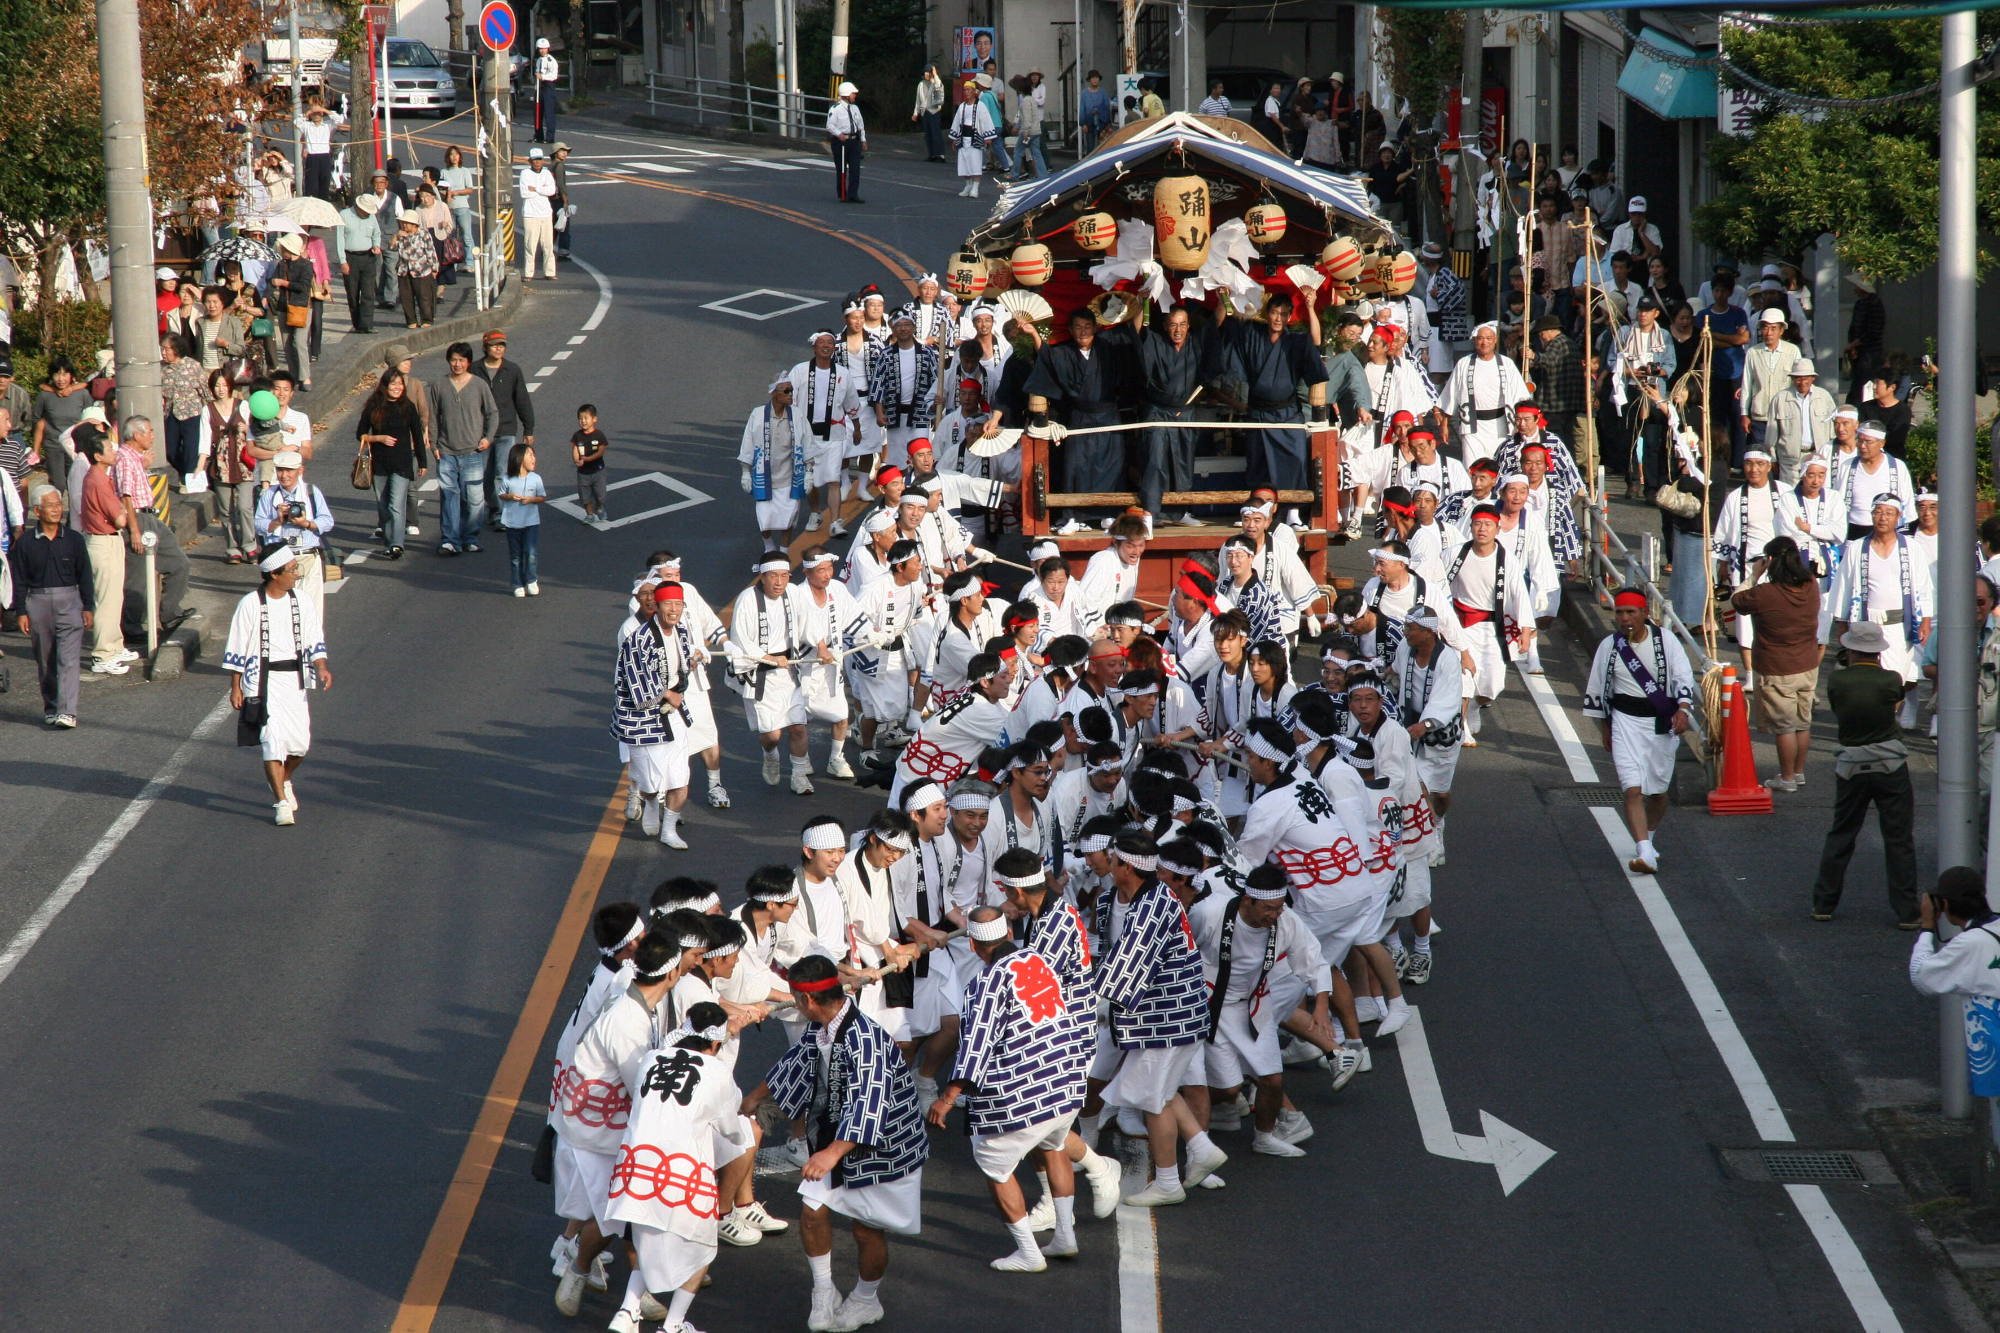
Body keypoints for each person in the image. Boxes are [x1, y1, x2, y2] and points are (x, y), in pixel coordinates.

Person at [744, 952, 930, 1333]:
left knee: (866, 1229)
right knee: (812, 1210)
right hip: (836, 1134)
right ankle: (824, 1289)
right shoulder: (824, 1024)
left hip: (884, 1146)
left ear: (807, 1000)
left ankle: (866, 1299)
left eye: (796, 998)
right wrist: (756, 1096)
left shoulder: (866, 1039)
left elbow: (870, 1101)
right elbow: (796, 1060)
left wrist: (830, 1153)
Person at [929, 905, 1086, 1270]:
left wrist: (948, 1096)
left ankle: (1030, 1254)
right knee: (1054, 1145)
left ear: (972, 945)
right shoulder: (1038, 959)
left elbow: (974, 1047)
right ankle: (1065, 1235)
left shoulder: (985, 983)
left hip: (1027, 1094)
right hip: (1067, 1083)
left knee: (993, 1163)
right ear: (1009, 933)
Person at [601, 1001, 752, 1333]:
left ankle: (627, 1311)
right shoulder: (718, 1072)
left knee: (647, 1238)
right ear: (716, 1043)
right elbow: (731, 1128)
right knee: (702, 1247)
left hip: (635, 1171)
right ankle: (673, 1324)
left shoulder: (651, 1059)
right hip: (681, 1174)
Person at [1095, 830, 1223, 1206]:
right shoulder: (1131, 898)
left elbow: (1127, 966)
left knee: (1151, 1100)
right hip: (1166, 1018)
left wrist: (1082, 1000)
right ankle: (1200, 1147)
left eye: (1113, 860)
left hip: (1168, 1020)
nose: (1107, 864)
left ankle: (1168, 1182)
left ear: (1127, 869)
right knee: (1162, 1092)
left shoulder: (1153, 906)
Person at [1811, 621, 1918, 923]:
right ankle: (1907, 912)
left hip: (1851, 765)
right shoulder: (1891, 679)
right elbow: (1893, 704)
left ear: (1850, 650)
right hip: (1890, 763)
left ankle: (1823, 904)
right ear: (1878, 651)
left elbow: (1838, 708)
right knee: (1898, 839)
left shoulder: (1836, 680)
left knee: (1842, 833)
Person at [1582, 589, 1694, 875]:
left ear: (1645, 613)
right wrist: (1605, 727)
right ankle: (1644, 851)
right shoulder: (1610, 646)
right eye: (1619, 612)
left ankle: (1650, 838)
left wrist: (1682, 709)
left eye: (1631, 612)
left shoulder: (1665, 640)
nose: (1625, 618)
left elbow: (1682, 675)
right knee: (1632, 788)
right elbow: (1599, 688)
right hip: (1625, 722)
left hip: (1660, 723)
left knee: (1657, 791)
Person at [225, 545, 332, 826]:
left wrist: (321, 667)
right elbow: (236, 646)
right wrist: (236, 686)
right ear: (274, 573)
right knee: (273, 742)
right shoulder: (250, 604)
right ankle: (281, 802)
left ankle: (283, 782)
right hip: (262, 683)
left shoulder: (302, 602)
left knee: (299, 746)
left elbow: (314, 639)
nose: (297, 574)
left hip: (294, 682)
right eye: (293, 570)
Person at [1214, 294, 1331, 524]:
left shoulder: (1296, 341)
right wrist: (1226, 299)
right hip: (1258, 413)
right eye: (1274, 313)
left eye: (1284, 314)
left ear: (1289, 317)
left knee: (1295, 460)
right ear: (1267, 314)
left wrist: (1309, 306)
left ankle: (1293, 514)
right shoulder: (1252, 335)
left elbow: (1316, 341)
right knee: (1259, 463)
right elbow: (1228, 326)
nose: (1278, 318)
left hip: (1287, 413)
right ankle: (1254, 513)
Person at [1025, 309, 1130, 534]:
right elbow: (1046, 356)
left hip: (1108, 416)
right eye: (1078, 327)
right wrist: (1033, 333)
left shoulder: (1108, 350)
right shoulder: (1064, 352)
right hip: (1080, 416)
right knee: (1076, 466)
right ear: (1071, 331)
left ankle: (1108, 514)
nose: (1083, 332)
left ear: (1096, 328)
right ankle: (1072, 516)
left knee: (1110, 466)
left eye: (1087, 327)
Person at [1731, 538, 1822, 792]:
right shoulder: (1810, 584)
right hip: (1807, 664)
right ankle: (1799, 772)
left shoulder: (1765, 593)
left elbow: (1737, 601)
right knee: (1803, 723)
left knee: (1784, 727)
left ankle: (1787, 778)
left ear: (1770, 560)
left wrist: (1753, 575)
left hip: (1777, 667)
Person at [615, 584, 697, 848]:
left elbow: (680, 668)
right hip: (643, 719)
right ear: (657, 606)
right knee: (650, 783)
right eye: (668, 604)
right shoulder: (638, 638)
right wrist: (666, 694)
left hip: (673, 715)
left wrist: (691, 664)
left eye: (679, 604)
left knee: (680, 778)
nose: (674, 610)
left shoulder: (682, 632)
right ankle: (650, 801)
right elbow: (635, 680)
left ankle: (669, 829)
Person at [9, 484, 92, 727]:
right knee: (45, 660)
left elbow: (85, 575)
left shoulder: (74, 539)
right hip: (38, 602)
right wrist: (21, 612)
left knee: (68, 658)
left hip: (70, 601)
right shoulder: (25, 543)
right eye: (51, 506)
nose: (57, 510)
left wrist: (88, 606)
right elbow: (19, 580)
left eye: (59, 505)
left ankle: (68, 711)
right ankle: (52, 706)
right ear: (37, 510)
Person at [111, 416, 192, 634]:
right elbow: (126, 496)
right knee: (138, 578)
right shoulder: (124, 459)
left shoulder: (134, 458)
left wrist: (143, 464)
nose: (153, 436)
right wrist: (135, 530)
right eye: (149, 431)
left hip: (151, 517)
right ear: (136, 435)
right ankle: (132, 626)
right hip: (137, 518)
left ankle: (170, 613)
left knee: (179, 563)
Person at [429, 342, 499, 555]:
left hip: (473, 452)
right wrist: (433, 444)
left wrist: (488, 438)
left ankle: (470, 537)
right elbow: (433, 416)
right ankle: (450, 540)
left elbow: (492, 413)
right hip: (446, 452)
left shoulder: (479, 385)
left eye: (461, 360)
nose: (457, 364)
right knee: (449, 497)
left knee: (475, 499)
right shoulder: (439, 385)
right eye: (453, 359)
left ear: (468, 362)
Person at [76, 425, 132, 675]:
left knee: (114, 597)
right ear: (98, 455)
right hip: (103, 541)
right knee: (106, 600)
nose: (113, 450)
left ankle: (115, 646)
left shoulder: (98, 476)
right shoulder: (98, 480)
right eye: (109, 447)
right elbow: (120, 520)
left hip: (106, 540)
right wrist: (125, 510)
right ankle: (102, 654)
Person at [254, 447, 334, 620]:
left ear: (300, 470)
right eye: (280, 470)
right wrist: (277, 521)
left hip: (308, 557)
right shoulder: (269, 495)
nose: (284, 475)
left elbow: (327, 521)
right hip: (280, 561)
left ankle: (310, 646)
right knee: (284, 612)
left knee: (311, 612)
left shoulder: (311, 492)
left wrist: (306, 523)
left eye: (289, 470)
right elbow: (259, 524)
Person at [355, 369, 424, 559]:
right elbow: (360, 433)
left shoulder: (408, 406)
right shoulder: (374, 406)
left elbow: (417, 434)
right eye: (393, 384)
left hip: (402, 463)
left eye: (400, 384)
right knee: (383, 504)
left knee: (396, 505)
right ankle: (388, 541)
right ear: (384, 386)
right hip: (379, 463)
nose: (397, 388)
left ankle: (397, 544)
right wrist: (378, 438)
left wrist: (422, 461)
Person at [475, 330, 535, 528]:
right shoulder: (474, 370)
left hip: (506, 430)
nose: (499, 348)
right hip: (480, 431)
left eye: (502, 345)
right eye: (494, 345)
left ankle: (500, 512)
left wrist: (528, 428)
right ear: (485, 347)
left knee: (501, 472)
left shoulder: (512, 370)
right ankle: (491, 507)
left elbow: (522, 400)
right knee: (483, 472)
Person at [1692, 277, 1751, 467]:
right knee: (1716, 421)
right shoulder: (1703, 315)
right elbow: (1704, 343)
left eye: (1723, 291)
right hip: (1714, 373)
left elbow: (1743, 339)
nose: (1719, 295)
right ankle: (1718, 460)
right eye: (1716, 291)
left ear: (1730, 293)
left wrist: (1715, 336)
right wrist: (1731, 339)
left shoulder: (1738, 313)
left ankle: (1737, 462)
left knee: (1738, 420)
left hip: (1736, 374)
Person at [1766, 357, 1836, 485]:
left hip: (1818, 456)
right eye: (1798, 378)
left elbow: (1832, 430)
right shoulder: (1780, 398)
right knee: (1789, 495)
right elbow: (1771, 433)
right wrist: (1772, 459)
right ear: (1792, 379)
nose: (1802, 382)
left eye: (1806, 378)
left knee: (1816, 493)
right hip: (1789, 460)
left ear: (1813, 378)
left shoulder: (1824, 396)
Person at [498, 442, 546, 596]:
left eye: (534, 455)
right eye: (530, 455)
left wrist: (531, 500)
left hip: (531, 522)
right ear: (519, 459)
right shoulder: (508, 479)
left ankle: (531, 580)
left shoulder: (536, 479)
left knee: (531, 551)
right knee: (516, 555)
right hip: (512, 523)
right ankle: (518, 584)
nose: (534, 458)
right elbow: (501, 494)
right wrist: (510, 496)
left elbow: (542, 497)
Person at [948, 78, 997, 199]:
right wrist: (955, 138)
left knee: (975, 164)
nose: (966, 92)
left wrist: (988, 137)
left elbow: (986, 121)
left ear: (974, 92)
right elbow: (957, 122)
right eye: (964, 90)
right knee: (964, 163)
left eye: (968, 90)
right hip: (963, 138)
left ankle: (975, 187)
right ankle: (968, 185)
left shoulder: (980, 106)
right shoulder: (962, 107)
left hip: (975, 138)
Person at [389, 213, 439, 328]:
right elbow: (391, 247)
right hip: (404, 270)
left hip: (421, 270)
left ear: (414, 224)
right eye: (402, 223)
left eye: (407, 223)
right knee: (406, 298)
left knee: (424, 296)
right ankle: (411, 321)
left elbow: (431, 252)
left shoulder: (423, 235)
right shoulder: (400, 235)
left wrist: (434, 268)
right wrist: (396, 236)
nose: (404, 225)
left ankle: (427, 319)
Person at [519, 147, 560, 283]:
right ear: (530, 160)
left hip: (546, 213)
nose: (537, 162)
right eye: (535, 159)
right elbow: (524, 193)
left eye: (540, 159)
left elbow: (552, 191)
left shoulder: (547, 173)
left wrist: (536, 188)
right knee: (530, 245)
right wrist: (542, 189)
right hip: (530, 214)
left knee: (548, 244)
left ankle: (550, 272)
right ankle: (528, 273)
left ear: (543, 161)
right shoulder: (525, 173)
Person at [828, 81, 867, 203]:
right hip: (841, 142)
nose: (855, 96)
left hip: (854, 141)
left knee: (855, 169)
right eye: (853, 94)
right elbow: (829, 125)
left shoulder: (855, 108)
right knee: (841, 169)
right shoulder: (836, 109)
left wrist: (863, 140)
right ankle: (842, 193)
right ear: (846, 95)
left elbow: (860, 125)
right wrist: (839, 134)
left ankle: (853, 194)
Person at [572, 402, 611, 526]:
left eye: (586, 418)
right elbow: (575, 450)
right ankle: (589, 514)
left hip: (598, 470)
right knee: (584, 495)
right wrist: (576, 460)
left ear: (594, 419)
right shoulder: (577, 436)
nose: (583, 421)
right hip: (583, 472)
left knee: (601, 495)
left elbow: (601, 452)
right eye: (580, 418)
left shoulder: (599, 435)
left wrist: (588, 459)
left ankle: (599, 506)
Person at [1009, 74, 1048, 180]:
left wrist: (1025, 131)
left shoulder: (1025, 101)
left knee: (1018, 152)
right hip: (1036, 130)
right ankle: (1043, 175)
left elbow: (1026, 118)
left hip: (1028, 132)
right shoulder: (1032, 99)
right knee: (1037, 153)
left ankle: (1014, 174)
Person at [913, 65, 947, 161]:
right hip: (925, 111)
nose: (927, 75)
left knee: (936, 133)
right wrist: (916, 112)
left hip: (934, 111)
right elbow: (918, 100)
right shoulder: (921, 84)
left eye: (929, 72)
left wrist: (936, 75)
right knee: (928, 134)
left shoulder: (936, 82)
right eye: (926, 73)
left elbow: (938, 87)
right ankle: (932, 154)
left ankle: (940, 155)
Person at [534, 36, 560, 143]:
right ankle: (538, 136)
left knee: (549, 113)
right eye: (540, 48)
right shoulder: (538, 60)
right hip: (539, 87)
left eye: (544, 48)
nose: (542, 50)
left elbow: (554, 76)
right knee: (537, 112)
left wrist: (542, 77)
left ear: (548, 49)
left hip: (548, 87)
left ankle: (550, 138)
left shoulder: (551, 61)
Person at [1079, 70, 1112, 153]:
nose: (1095, 80)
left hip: (1102, 123)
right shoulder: (1084, 93)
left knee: (1103, 146)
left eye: (1097, 78)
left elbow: (1107, 106)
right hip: (1089, 123)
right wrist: (1083, 124)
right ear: (1089, 80)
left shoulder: (1103, 92)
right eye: (1093, 78)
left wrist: (1098, 111)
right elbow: (1082, 109)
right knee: (1090, 148)